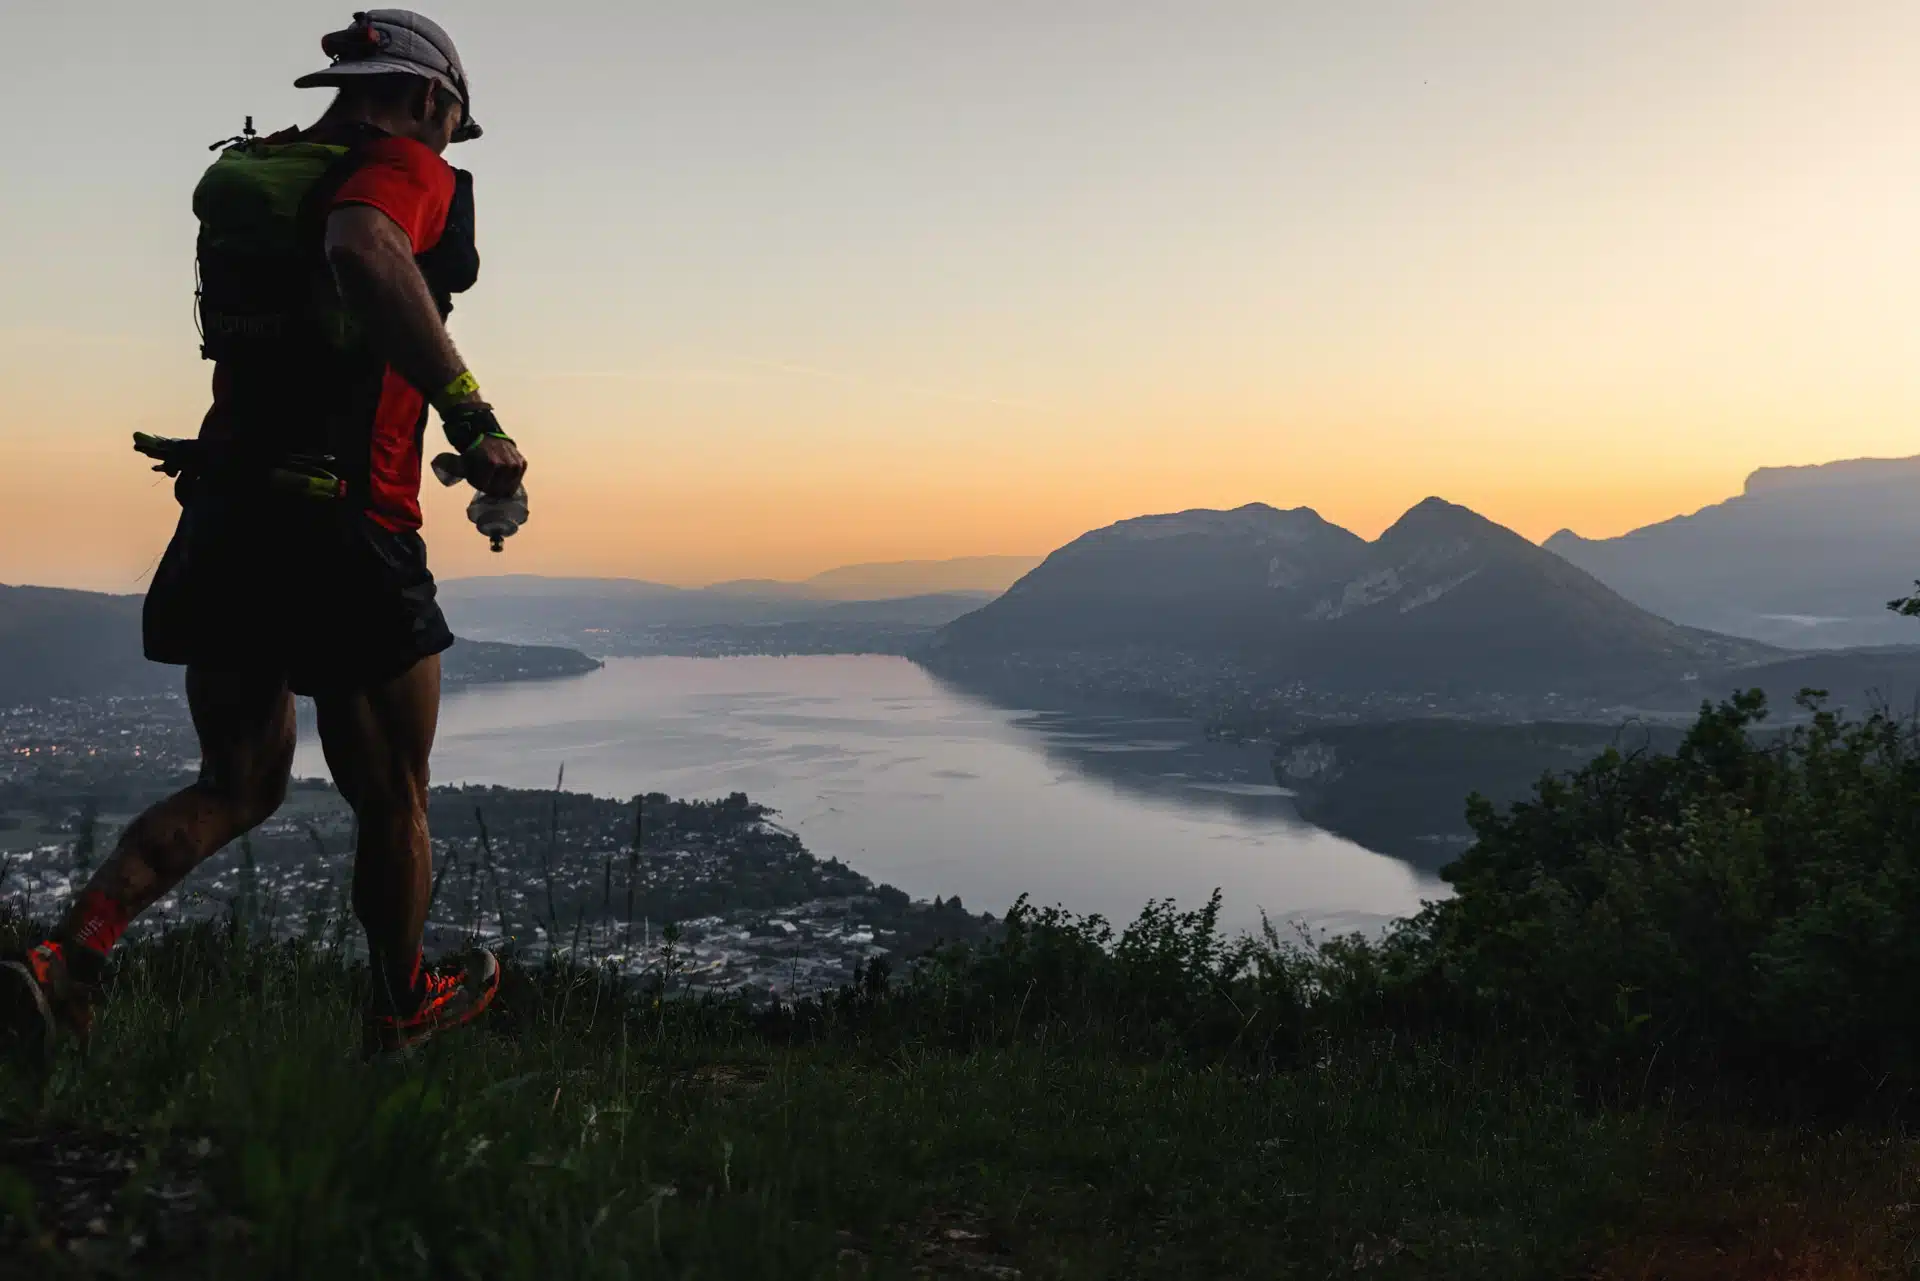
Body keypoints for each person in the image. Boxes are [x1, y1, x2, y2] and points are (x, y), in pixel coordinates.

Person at [2, 10, 528, 1060]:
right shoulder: (400, 165)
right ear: (428, 97)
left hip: (230, 511)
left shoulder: (261, 176)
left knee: (236, 783)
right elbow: (366, 249)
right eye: (452, 126)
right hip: (346, 525)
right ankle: (400, 1007)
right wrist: (474, 417)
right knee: (395, 793)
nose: (446, 149)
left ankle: (69, 960)